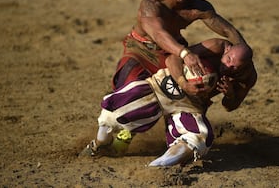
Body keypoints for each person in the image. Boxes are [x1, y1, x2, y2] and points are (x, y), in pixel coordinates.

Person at [80, 38, 257, 166]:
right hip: (163, 85)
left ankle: (158, 166)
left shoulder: (247, 78)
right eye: (228, 60)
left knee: (200, 137)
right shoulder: (216, 47)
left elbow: (230, 106)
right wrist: (183, 82)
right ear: (227, 50)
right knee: (116, 112)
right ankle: (99, 144)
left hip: (189, 105)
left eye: (235, 67)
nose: (228, 67)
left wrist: (231, 93)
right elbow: (173, 59)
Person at [112, 0, 248, 91]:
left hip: (172, 51)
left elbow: (227, 29)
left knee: (222, 71)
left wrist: (245, 53)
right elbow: (158, 35)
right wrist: (185, 53)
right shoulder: (151, 5)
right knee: (128, 85)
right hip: (142, 49)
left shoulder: (197, 7)